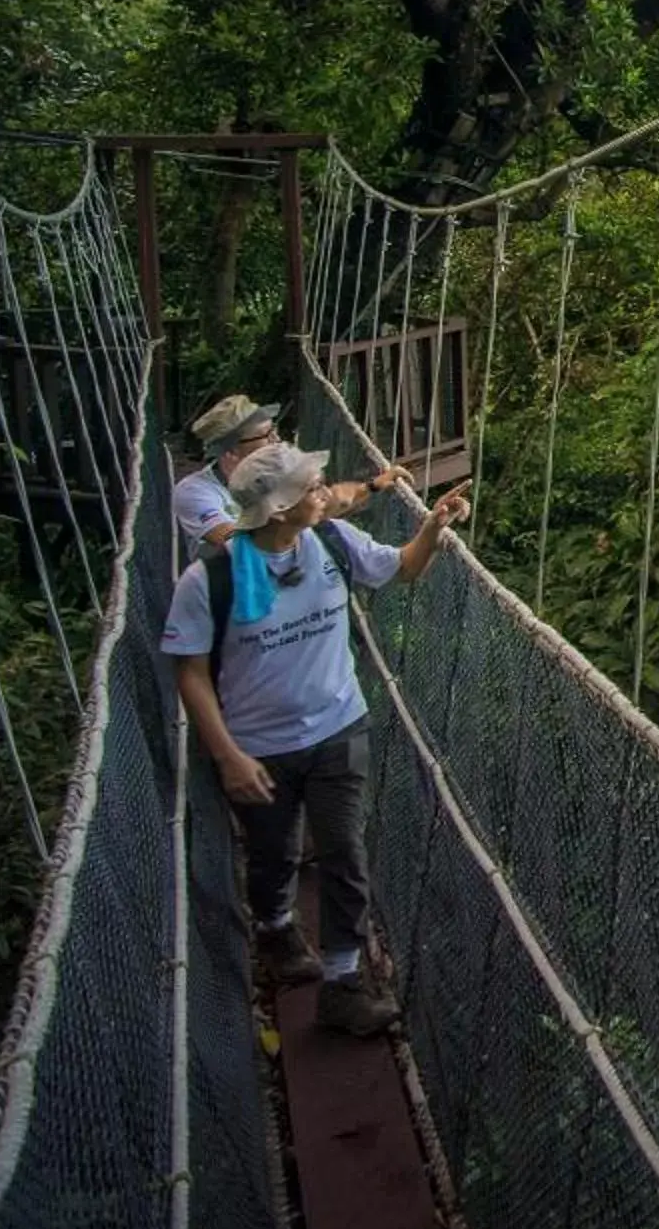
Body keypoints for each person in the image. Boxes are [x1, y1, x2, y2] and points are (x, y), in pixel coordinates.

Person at [164, 441, 469, 1036]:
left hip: (339, 727)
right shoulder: (208, 581)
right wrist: (227, 756)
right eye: (310, 487)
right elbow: (190, 671)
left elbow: (403, 568)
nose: (323, 491)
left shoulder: (332, 541)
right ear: (278, 510)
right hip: (259, 747)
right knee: (273, 854)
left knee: (344, 854)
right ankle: (276, 926)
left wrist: (432, 525)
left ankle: (343, 982)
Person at [174, 394, 403, 551]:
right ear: (232, 451)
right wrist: (300, 515)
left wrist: (372, 486)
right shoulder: (195, 492)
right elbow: (231, 540)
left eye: (275, 431)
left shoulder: (282, 474)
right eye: (267, 435)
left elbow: (327, 501)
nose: (277, 440)